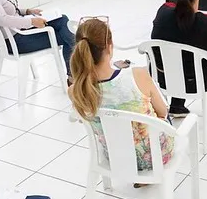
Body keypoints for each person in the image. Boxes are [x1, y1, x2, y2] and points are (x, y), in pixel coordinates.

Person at [69, 18, 174, 176]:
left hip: (114, 156)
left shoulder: (75, 91)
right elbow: (162, 113)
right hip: (155, 157)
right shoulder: (138, 75)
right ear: (109, 47)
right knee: (165, 116)